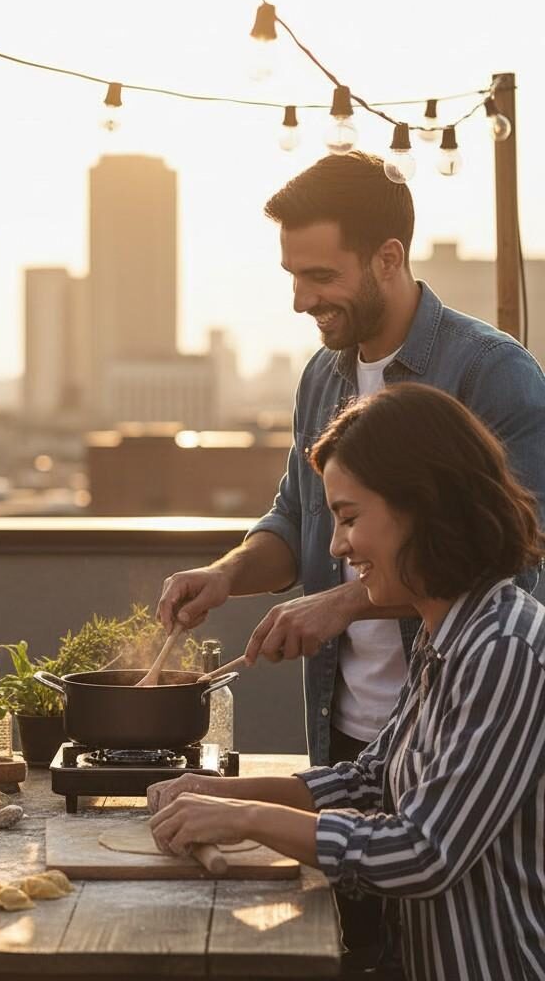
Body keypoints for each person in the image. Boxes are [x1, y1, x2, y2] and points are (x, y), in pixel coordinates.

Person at [148, 383, 545, 981]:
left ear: (424, 505)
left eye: (349, 518)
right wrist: (215, 794)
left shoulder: (505, 648)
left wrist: (246, 820)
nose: (335, 546)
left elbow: (424, 851)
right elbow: (367, 780)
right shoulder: (448, 630)